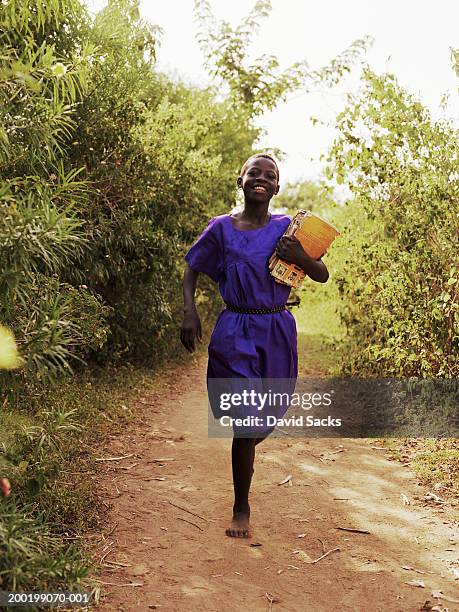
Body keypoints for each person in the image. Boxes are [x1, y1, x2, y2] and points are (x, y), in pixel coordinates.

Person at [180, 154, 329, 538]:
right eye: (254, 173)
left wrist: (299, 256)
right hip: (235, 328)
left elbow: (322, 274)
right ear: (240, 179)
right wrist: (189, 313)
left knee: (267, 416)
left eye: (270, 175)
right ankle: (241, 506)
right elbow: (192, 267)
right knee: (245, 423)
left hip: (277, 327)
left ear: (277, 187)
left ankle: (250, 442)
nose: (261, 179)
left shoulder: (289, 230)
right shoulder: (221, 229)